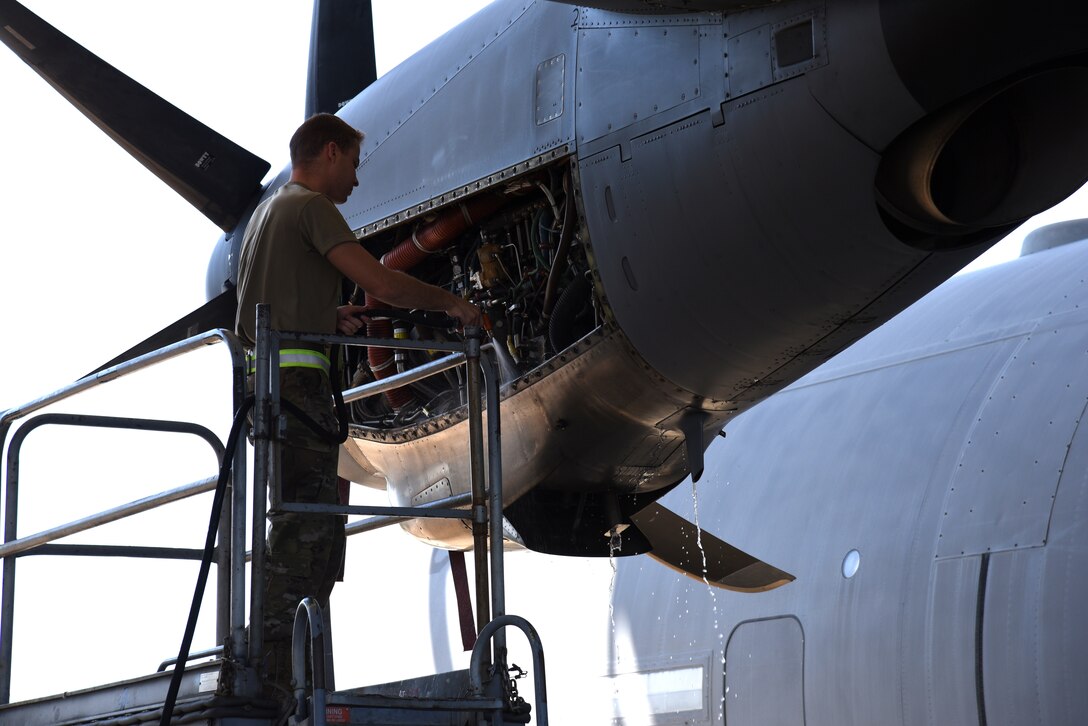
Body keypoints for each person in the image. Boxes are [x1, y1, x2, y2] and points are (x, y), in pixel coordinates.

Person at [234, 113, 480, 696]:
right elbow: (385, 283)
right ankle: (279, 677)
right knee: (308, 535)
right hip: (297, 391)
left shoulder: (267, 214)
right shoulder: (312, 208)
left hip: (270, 387)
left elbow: (268, 309)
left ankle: (281, 665)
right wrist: (454, 306)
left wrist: (328, 317)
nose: (357, 183)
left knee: (302, 525)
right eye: (354, 164)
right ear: (330, 152)